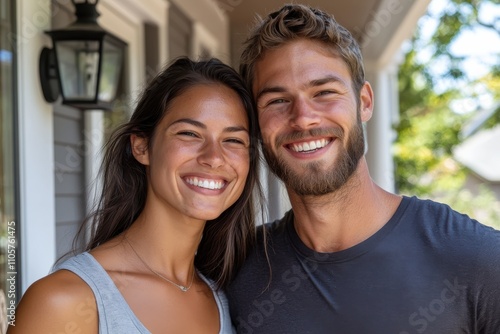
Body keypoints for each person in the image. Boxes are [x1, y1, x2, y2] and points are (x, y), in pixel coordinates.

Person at [226, 4, 500, 334]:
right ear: (255, 122)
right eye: (277, 101)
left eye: (324, 92)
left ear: (364, 102)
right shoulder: (238, 270)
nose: (303, 117)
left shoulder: (476, 259)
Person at [9, 57, 261, 334]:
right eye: (190, 133)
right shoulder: (64, 302)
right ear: (142, 147)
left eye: (234, 140)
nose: (214, 158)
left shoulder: (225, 298)